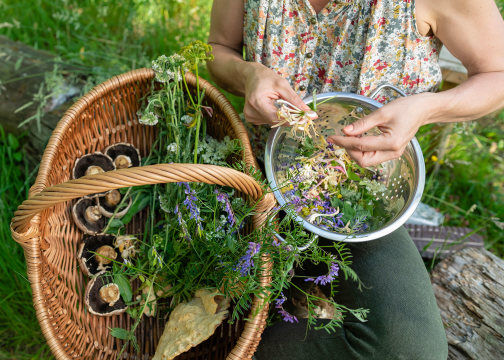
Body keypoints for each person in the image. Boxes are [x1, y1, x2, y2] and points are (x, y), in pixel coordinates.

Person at [206, 0, 504, 359]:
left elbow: (497, 74)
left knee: (409, 349)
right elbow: (218, 49)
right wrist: (247, 74)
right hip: (249, 177)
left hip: (355, 206)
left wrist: (426, 107)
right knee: (192, 297)